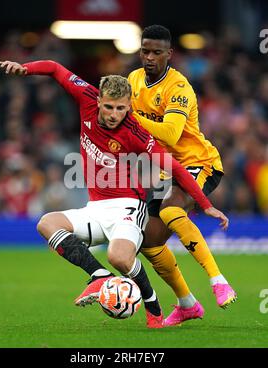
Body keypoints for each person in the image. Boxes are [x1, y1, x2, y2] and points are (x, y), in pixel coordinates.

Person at [0, 59, 228, 328]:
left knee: (118, 257)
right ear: (98, 100)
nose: (113, 114)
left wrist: (205, 204)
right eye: (108, 106)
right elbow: (54, 68)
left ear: (129, 107)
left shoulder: (136, 133)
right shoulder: (85, 96)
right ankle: (98, 277)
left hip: (128, 207)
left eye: (121, 108)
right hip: (95, 207)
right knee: (46, 223)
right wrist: (25, 68)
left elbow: (175, 167)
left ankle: (152, 307)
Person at [127, 25, 237, 322]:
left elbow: (171, 133)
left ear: (169, 54)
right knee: (149, 241)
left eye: (156, 52)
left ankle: (218, 280)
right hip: (167, 169)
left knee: (170, 208)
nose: (149, 57)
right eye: (145, 51)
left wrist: (131, 116)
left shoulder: (179, 88)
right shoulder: (133, 81)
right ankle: (187, 303)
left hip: (199, 163)